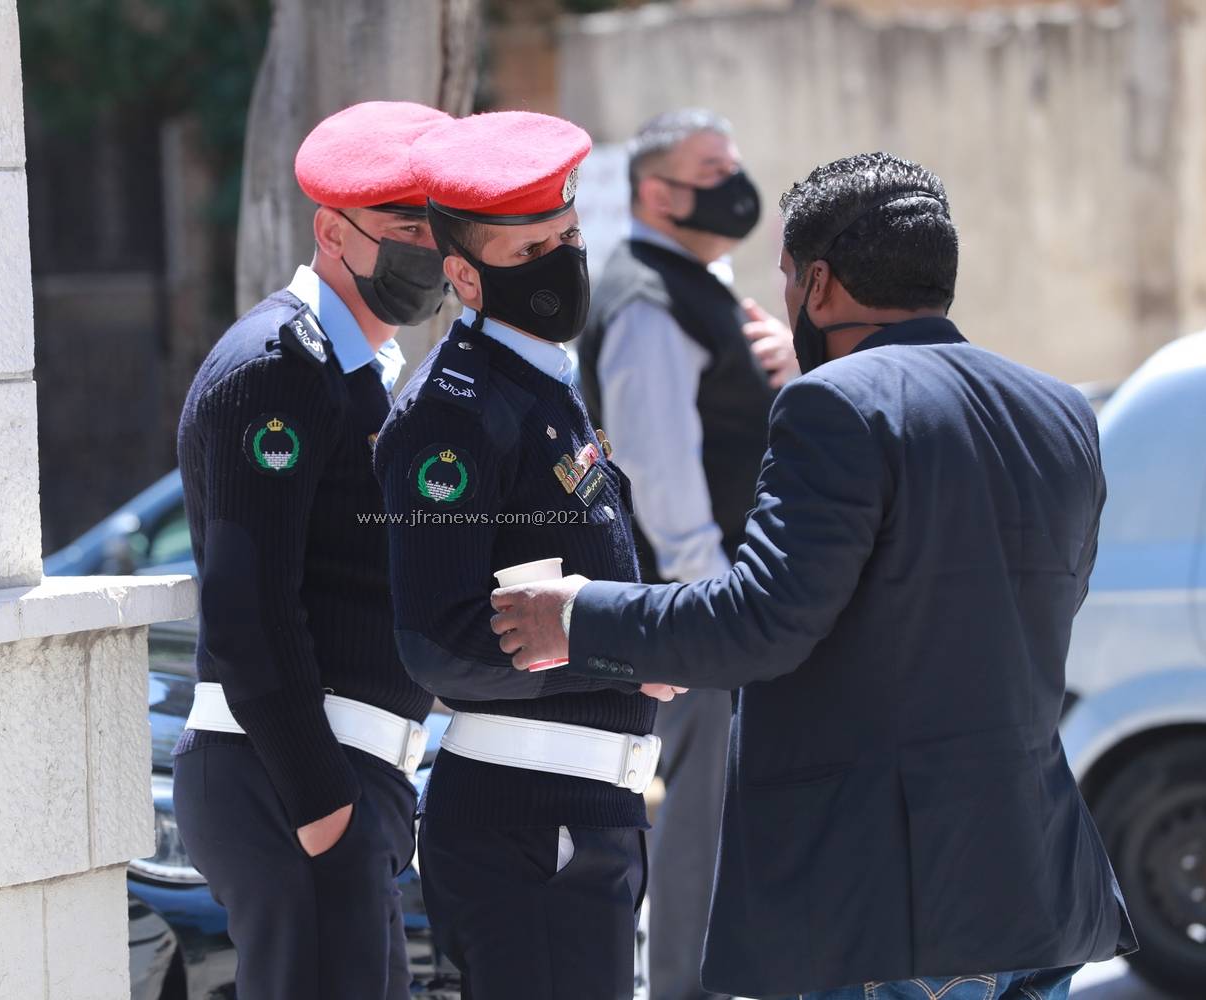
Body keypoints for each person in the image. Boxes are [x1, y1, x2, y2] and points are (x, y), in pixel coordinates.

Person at [489, 152, 1136, 1000]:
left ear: (819, 285)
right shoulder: (1061, 410)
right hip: (1037, 883)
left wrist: (576, 618)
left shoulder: (834, 404)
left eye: (790, 279)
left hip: (892, 910)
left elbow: (762, 620)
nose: (789, 300)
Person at [373, 110, 673, 1000]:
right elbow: (441, 641)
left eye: (568, 237)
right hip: (528, 822)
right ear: (465, 276)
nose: (561, 261)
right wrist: (624, 651)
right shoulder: (455, 413)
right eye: (530, 249)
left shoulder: (541, 385)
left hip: (583, 816)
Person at [170, 100, 451, 999]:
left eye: (441, 230)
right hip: (293, 777)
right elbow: (248, 607)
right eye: (407, 230)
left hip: (340, 779)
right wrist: (324, 805)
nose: (432, 252)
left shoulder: (358, 371)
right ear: (333, 232)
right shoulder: (281, 366)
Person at [576, 108, 795, 1000]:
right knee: (702, 823)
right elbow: (662, 485)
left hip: (724, 610)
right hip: (699, 615)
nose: (734, 185)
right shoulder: (647, 301)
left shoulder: (698, 286)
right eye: (712, 171)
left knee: (727, 817)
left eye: (733, 165)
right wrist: (729, 615)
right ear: (658, 193)